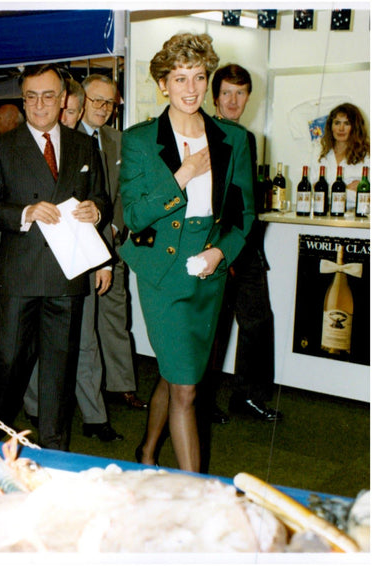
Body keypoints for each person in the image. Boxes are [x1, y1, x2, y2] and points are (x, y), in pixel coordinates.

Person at [120, 33, 254, 472]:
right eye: (180, 78)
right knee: (186, 389)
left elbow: (244, 213)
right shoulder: (140, 140)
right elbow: (135, 215)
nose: (191, 88)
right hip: (162, 271)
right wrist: (182, 174)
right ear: (163, 84)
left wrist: (221, 254)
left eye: (199, 77)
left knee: (179, 372)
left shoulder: (234, 139)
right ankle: (195, 491)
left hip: (208, 267)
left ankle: (146, 451)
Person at [0, 63, 109, 451]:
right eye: (31, 97)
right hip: (21, 275)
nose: (39, 105)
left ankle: (54, 445)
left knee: (59, 369)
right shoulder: (2, 145)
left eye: (48, 96)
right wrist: (24, 213)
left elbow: (101, 198)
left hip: (68, 276)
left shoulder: (84, 145)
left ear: (64, 99)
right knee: (9, 363)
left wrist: (95, 211)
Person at [207, 63, 281, 424]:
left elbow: (246, 197)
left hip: (246, 244)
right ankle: (201, 402)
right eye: (227, 93)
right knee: (214, 327)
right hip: (215, 245)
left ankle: (249, 397)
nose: (234, 100)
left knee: (257, 321)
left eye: (241, 93)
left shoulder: (248, 138)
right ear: (215, 96)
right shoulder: (205, 132)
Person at [78, 74, 147, 412]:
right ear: (81, 101)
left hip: (112, 243)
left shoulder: (119, 141)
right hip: (76, 245)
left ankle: (121, 386)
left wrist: (117, 227)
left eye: (110, 103)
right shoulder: (66, 139)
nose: (104, 109)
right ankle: (82, 388)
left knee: (115, 314)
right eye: (97, 101)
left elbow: (124, 192)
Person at [311, 102, 370, 212]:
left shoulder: (367, 155)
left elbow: (368, 198)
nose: (341, 128)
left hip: (356, 219)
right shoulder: (320, 153)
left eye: (347, 123)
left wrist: (328, 191)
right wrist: (347, 190)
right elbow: (314, 192)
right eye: (337, 123)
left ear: (355, 127)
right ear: (331, 126)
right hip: (323, 215)